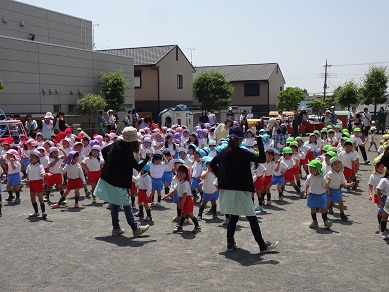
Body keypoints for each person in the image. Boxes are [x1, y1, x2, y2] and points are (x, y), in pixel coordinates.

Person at [209, 126, 278, 253]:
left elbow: (211, 164)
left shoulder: (223, 152)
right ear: (241, 139)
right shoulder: (243, 152)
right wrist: (260, 142)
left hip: (227, 190)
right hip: (242, 189)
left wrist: (221, 177)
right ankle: (262, 246)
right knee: (252, 217)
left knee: (233, 217)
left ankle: (230, 243)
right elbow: (262, 159)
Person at [94, 126, 150, 237]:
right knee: (126, 204)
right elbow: (138, 167)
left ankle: (116, 228)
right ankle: (135, 229)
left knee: (114, 203)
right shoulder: (127, 151)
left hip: (109, 177)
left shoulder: (117, 143)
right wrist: (147, 158)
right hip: (119, 181)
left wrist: (111, 163)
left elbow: (104, 150)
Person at [303, 160, 332, 229]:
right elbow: (307, 184)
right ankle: (315, 221)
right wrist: (305, 192)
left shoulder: (322, 177)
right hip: (312, 195)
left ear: (317, 169)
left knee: (323, 209)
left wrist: (329, 182)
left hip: (320, 195)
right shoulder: (310, 176)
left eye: (312, 168)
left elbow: (324, 186)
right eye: (310, 168)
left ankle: (325, 221)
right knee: (312, 208)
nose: (310, 170)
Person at [26, 150, 50, 218]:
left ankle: (43, 212)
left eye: (33, 157)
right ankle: (36, 212)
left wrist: (46, 174)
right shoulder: (29, 166)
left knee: (40, 198)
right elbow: (27, 173)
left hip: (38, 182)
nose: (31, 158)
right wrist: (27, 179)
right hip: (32, 183)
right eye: (30, 157)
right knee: (32, 198)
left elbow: (42, 174)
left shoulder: (40, 166)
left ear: (37, 159)